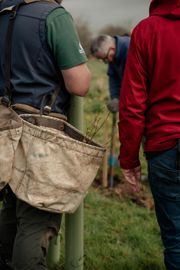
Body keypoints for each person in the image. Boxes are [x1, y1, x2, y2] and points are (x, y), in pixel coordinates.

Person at [0, 0, 91, 269]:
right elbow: (80, 83)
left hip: (5, 126)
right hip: (39, 134)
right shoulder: (53, 15)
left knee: (12, 208)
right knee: (35, 220)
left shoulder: (3, 12)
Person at [119, 0, 180, 269]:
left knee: (176, 239)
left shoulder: (146, 31)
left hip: (166, 146)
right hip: (166, 146)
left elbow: (132, 104)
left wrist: (129, 160)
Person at [90, 34, 130, 113]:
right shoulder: (112, 55)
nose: (107, 62)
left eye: (105, 58)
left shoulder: (130, 49)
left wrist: (123, 101)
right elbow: (113, 78)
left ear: (112, 48)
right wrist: (115, 98)